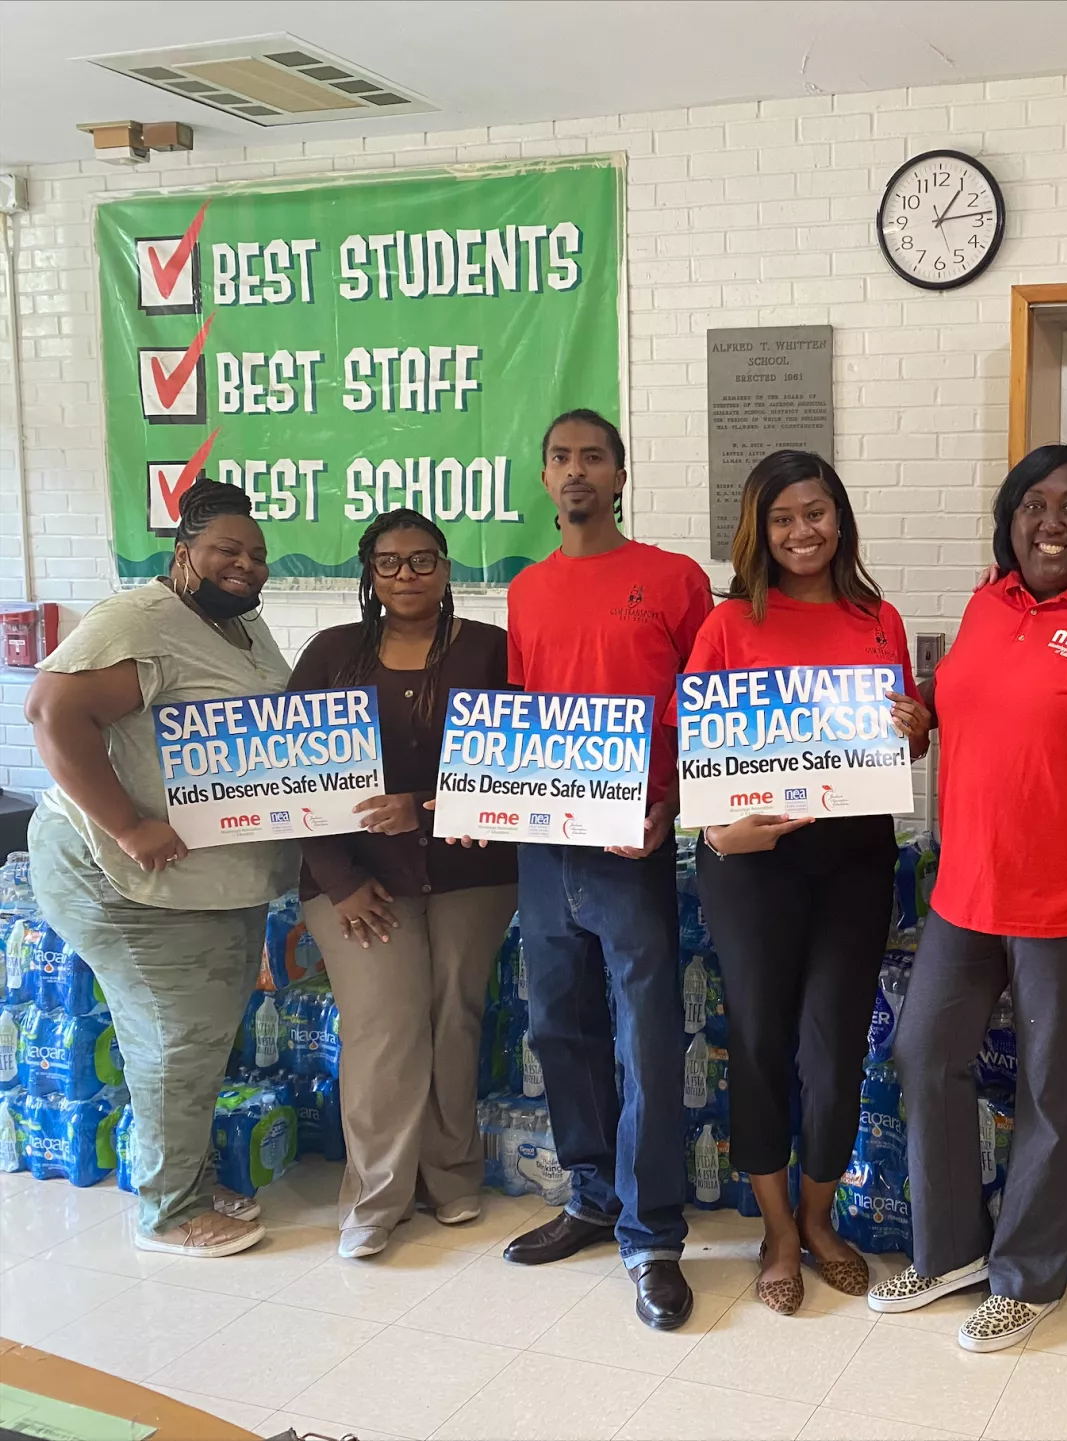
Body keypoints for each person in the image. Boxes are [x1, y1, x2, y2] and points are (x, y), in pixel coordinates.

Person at [869, 444, 1067, 1352]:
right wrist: (921, 711)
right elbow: (973, 700)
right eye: (1034, 506)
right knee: (925, 1053)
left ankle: (1029, 1277)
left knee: (1054, 1093)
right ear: (1010, 517)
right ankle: (950, 1252)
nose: (1051, 523)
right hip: (965, 891)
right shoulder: (989, 600)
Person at [23, 478, 295, 1258]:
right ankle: (169, 1211)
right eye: (226, 550)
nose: (245, 564)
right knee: (175, 1036)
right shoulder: (139, 618)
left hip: (208, 882)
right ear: (184, 554)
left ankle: (189, 1177)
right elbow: (52, 711)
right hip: (129, 877)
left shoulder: (239, 627)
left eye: (256, 554)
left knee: (202, 1036)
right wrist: (129, 824)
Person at [688, 449, 931, 1313]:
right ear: (759, 529)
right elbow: (699, 759)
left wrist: (915, 727)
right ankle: (777, 1229)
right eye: (784, 518)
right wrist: (720, 830)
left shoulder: (878, 617)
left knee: (834, 1049)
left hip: (854, 857)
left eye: (816, 513)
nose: (803, 532)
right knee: (758, 1043)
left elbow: (899, 747)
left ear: (841, 518)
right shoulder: (727, 626)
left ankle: (820, 1217)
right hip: (752, 864)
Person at [497, 409, 713, 1331]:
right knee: (558, 1027)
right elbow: (517, 719)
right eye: (559, 456)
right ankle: (590, 1195)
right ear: (545, 477)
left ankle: (653, 1231)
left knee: (646, 1037)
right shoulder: (526, 590)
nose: (575, 469)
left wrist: (673, 804)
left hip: (636, 844)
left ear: (619, 474)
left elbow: (710, 705)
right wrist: (490, 800)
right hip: (546, 847)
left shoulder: (673, 579)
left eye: (592, 456)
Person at [288, 509, 518, 1260]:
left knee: (456, 1015)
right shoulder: (330, 654)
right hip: (353, 879)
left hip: (469, 873)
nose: (408, 575)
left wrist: (421, 804)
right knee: (384, 1026)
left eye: (423, 561)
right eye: (390, 563)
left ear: (448, 568)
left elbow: (516, 762)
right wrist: (340, 878)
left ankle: (450, 1176)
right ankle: (377, 1195)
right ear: (369, 574)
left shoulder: (490, 650)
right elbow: (292, 776)